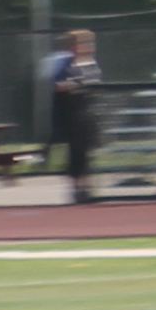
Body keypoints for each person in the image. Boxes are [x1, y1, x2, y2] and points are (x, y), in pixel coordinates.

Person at [44, 28, 103, 203]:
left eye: (90, 42)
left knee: (88, 151)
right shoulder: (65, 63)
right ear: (73, 46)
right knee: (76, 152)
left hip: (88, 112)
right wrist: (77, 84)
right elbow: (57, 85)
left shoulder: (91, 63)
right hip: (71, 114)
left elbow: (97, 83)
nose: (88, 46)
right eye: (83, 43)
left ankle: (87, 186)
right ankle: (77, 188)